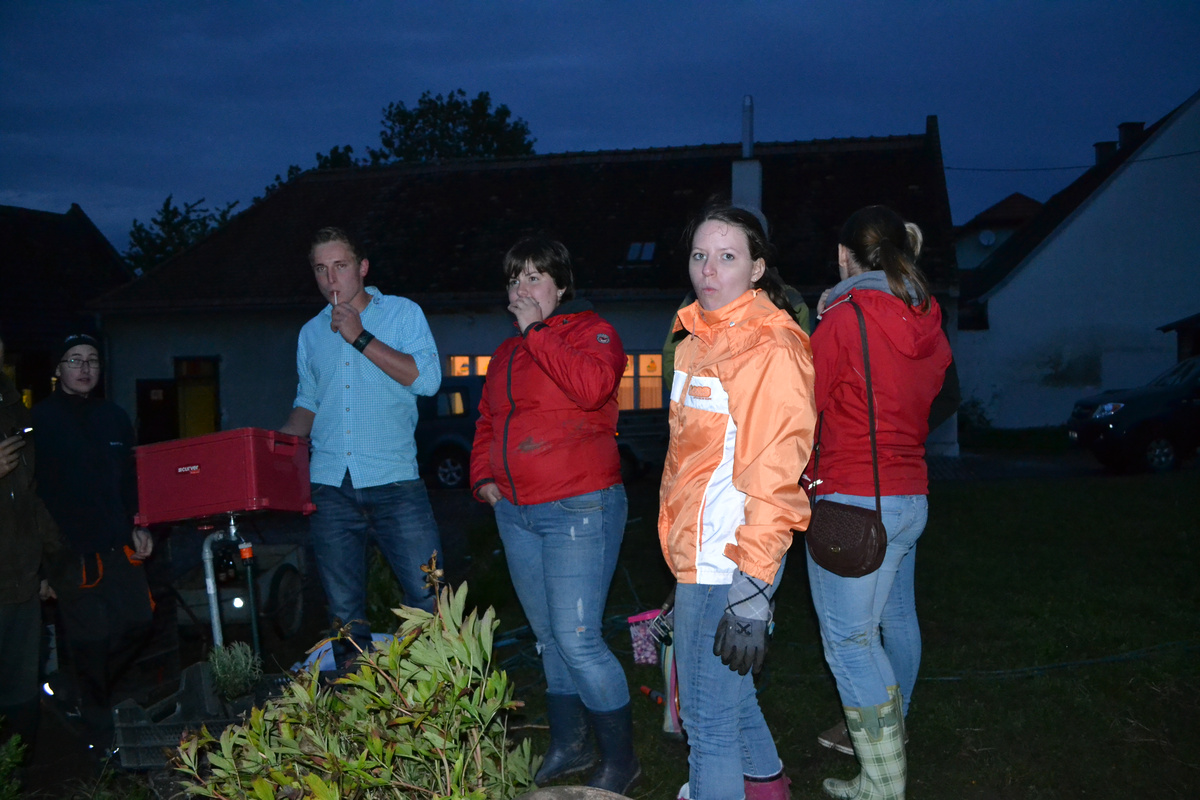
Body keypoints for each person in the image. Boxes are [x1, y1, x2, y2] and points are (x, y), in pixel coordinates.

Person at [469, 237, 639, 794]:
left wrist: (536, 331)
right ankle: (570, 743)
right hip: (516, 513)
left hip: (578, 506)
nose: (521, 288)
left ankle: (622, 761)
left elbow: (592, 389)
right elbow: (488, 421)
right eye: (514, 279)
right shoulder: (505, 353)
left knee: (579, 639)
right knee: (548, 638)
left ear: (561, 286)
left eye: (535, 277)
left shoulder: (593, 332)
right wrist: (483, 477)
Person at [659, 205, 816, 800]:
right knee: (733, 697)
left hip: (732, 561)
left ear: (756, 269)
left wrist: (751, 592)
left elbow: (776, 478)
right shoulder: (696, 339)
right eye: (700, 255)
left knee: (708, 722)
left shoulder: (768, 345)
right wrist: (680, 568)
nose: (709, 269)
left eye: (727, 257)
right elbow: (691, 470)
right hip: (699, 559)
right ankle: (769, 791)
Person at [805, 206, 952, 800]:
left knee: (849, 642)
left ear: (844, 256)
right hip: (909, 496)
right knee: (896, 621)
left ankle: (883, 785)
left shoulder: (845, 320)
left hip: (855, 502)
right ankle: (892, 734)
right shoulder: (928, 320)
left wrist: (822, 323)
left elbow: (802, 403)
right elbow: (934, 391)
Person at [280, 227, 444, 670]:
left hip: (395, 481)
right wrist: (276, 445)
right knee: (344, 615)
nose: (331, 278)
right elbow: (308, 401)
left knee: (428, 600)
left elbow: (428, 381)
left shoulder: (403, 314)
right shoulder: (310, 333)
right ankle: (358, 701)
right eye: (321, 269)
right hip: (330, 486)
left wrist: (360, 335)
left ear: (363, 267)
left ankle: (436, 695)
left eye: (341, 265)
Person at [33, 334, 154, 742]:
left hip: (118, 543)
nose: (84, 368)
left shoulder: (115, 417)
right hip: (70, 551)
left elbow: (131, 481)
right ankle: (102, 740)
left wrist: (140, 524)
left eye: (92, 360)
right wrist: (40, 568)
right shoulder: (41, 422)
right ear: (58, 369)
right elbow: (32, 496)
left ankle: (77, 688)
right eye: (74, 360)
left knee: (140, 622)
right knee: (91, 640)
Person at [0, 334, 61, 761]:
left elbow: (29, 496)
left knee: (21, 693)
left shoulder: (11, 404)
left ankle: (14, 778)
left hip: (19, 583)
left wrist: (49, 565)